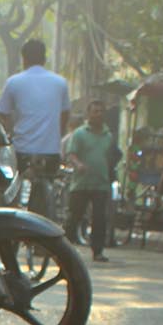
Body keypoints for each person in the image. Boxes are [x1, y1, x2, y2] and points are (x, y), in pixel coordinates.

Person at [0, 39, 70, 219]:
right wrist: (55, 138)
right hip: (51, 152)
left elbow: (2, 114)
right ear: (44, 59)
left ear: (24, 59)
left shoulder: (14, 82)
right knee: (43, 198)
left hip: (22, 150)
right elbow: (65, 115)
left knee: (11, 193)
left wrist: (9, 133)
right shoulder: (60, 83)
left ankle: (11, 230)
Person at [64, 99, 118, 262]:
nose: (98, 114)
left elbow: (112, 156)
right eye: (95, 111)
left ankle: (98, 251)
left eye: (101, 111)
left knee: (100, 218)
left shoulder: (108, 136)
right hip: (81, 183)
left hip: (101, 183)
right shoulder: (80, 134)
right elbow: (71, 154)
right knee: (75, 216)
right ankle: (65, 248)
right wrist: (79, 164)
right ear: (89, 114)